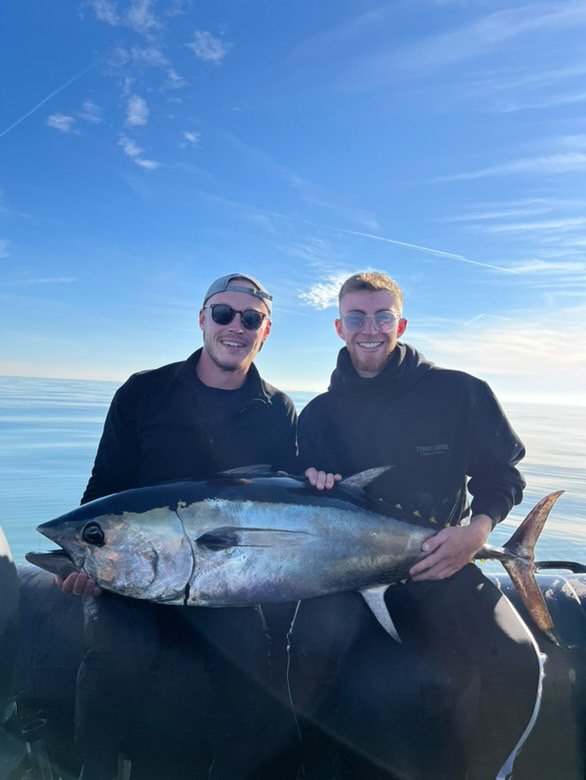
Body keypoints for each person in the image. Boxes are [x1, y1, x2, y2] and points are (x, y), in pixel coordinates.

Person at [297, 271, 542, 779]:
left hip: (441, 562)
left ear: (401, 323)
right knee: (319, 658)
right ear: (338, 328)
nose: (371, 327)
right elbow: (313, 506)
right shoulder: (317, 415)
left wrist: (477, 532)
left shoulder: (460, 393)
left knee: (517, 659)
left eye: (382, 315)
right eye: (356, 317)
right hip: (348, 575)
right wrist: (314, 481)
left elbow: (501, 475)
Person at [57, 273, 299, 779]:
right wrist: (86, 556)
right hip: (134, 573)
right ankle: (94, 771)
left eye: (250, 318)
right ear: (202, 319)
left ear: (265, 331)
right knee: (117, 657)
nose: (235, 326)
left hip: (224, 578)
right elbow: (103, 488)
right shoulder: (144, 392)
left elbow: (282, 501)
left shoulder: (277, 409)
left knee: (253, 666)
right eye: (223, 313)